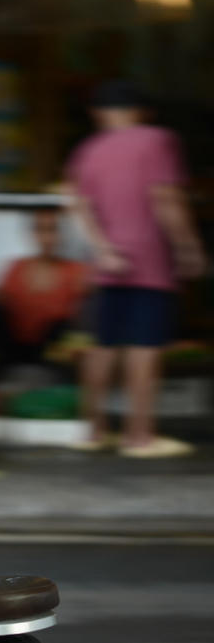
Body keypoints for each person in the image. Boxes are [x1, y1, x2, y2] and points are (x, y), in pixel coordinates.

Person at [67, 80, 205, 458]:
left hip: (108, 262)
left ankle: (95, 431)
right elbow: (165, 197)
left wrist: (103, 250)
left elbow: (79, 206)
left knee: (104, 346)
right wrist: (188, 247)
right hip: (148, 260)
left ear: (98, 113)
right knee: (144, 348)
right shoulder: (157, 140)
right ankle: (138, 436)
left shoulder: (88, 149)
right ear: (141, 111)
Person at [0, 208, 88, 374]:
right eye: (40, 229)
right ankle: (9, 367)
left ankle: (45, 370)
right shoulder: (15, 267)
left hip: (50, 351)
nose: (47, 238)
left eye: (52, 230)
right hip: (14, 348)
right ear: (31, 233)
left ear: (62, 234)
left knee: (66, 327)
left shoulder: (75, 270)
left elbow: (83, 319)